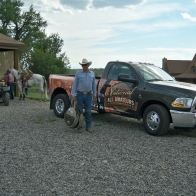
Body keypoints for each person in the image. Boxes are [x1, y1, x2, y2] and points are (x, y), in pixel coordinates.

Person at [71, 58, 97, 133]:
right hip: (80, 94)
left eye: (85, 65)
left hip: (88, 95)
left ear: (88, 65)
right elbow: (75, 84)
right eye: (83, 65)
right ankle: (79, 126)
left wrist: (94, 95)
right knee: (79, 111)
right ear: (82, 65)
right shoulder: (78, 73)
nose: (84, 66)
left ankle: (88, 127)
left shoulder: (92, 74)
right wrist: (73, 94)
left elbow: (93, 85)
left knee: (88, 111)